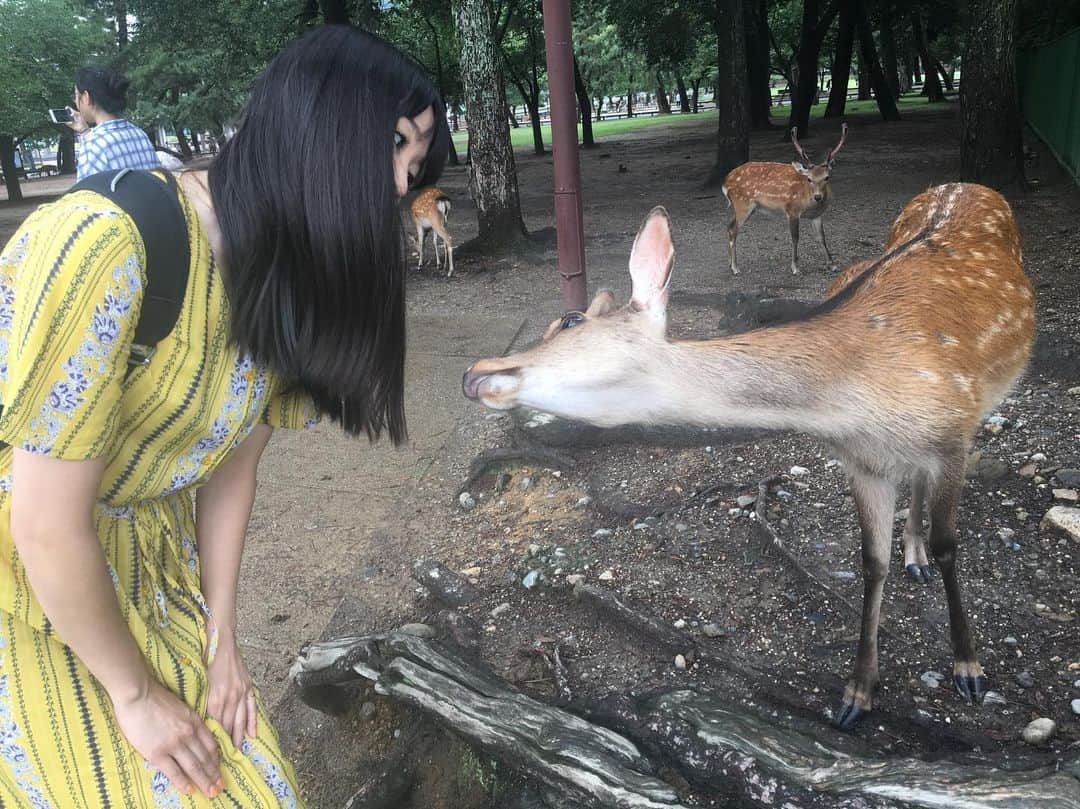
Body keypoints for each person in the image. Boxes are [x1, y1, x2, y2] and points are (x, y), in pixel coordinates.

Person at [0, 25, 448, 806]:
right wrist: (135, 696)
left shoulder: (279, 280)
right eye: (398, 152)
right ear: (327, 129)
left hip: (144, 573)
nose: (400, 191)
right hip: (29, 582)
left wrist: (221, 643)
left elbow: (231, 474)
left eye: (414, 169)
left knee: (255, 785)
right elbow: (41, 521)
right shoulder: (110, 242)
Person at [66, 66, 161, 179]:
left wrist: (88, 137)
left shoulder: (92, 146)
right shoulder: (139, 134)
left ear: (86, 97)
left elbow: (85, 195)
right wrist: (85, 131)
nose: (75, 101)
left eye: (76, 95)